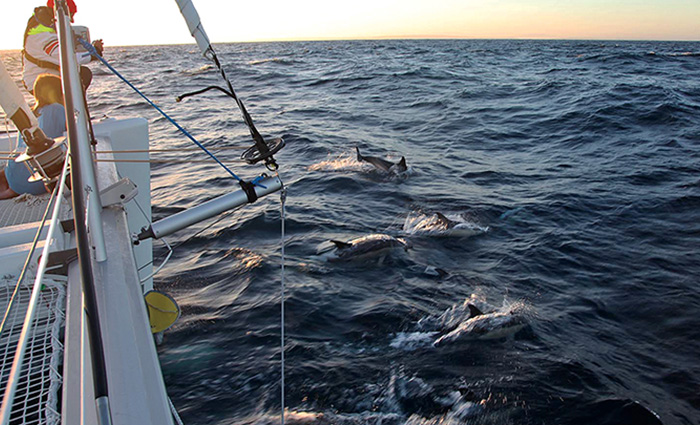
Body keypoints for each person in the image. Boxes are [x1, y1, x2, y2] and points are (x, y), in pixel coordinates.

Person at [0, 74, 66, 199]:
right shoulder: (59, 109)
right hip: (38, 177)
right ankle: (13, 188)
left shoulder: (28, 115)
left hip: (13, 171)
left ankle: (11, 188)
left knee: (13, 168)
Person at [22, 0, 103, 94]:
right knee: (83, 75)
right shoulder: (42, 36)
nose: (72, 20)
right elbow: (68, 59)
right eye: (71, 15)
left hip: (51, 77)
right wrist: (94, 53)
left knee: (83, 73)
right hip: (39, 83)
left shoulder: (49, 30)